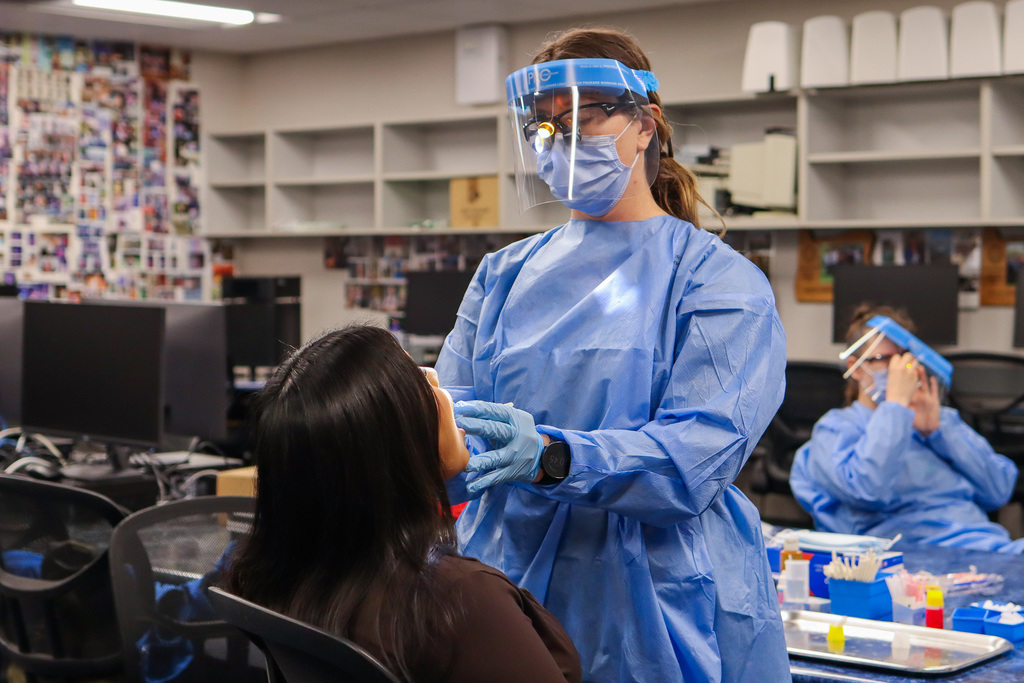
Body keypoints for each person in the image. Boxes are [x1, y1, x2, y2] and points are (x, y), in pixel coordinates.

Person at [435, 27, 790, 683]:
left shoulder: (717, 283)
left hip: (651, 604)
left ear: (644, 125)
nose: (559, 145)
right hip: (502, 592)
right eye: (543, 129)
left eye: (580, 121)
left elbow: (693, 459)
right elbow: (455, 433)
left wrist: (552, 455)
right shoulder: (501, 276)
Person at [226, 326, 581, 683]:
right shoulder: (463, 600)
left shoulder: (261, 575)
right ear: (395, 444)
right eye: (420, 383)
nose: (442, 388)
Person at [790, 305, 1024, 553]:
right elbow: (868, 490)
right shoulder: (837, 428)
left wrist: (939, 431)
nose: (899, 371)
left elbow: (999, 490)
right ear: (856, 367)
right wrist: (895, 408)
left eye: (905, 360)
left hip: (990, 548)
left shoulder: (935, 422)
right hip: (920, 559)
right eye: (886, 360)